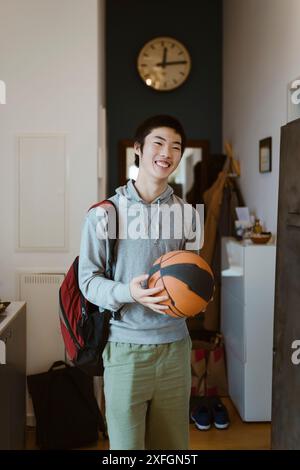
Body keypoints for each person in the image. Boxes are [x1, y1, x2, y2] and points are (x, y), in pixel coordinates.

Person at [78, 115, 202, 450]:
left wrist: (196, 296)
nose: (167, 152)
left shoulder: (189, 215)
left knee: (172, 450)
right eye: (158, 143)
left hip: (176, 349)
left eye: (176, 146)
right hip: (124, 350)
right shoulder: (104, 214)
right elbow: (87, 281)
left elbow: (194, 279)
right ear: (138, 149)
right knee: (126, 450)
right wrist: (127, 292)